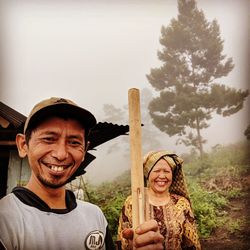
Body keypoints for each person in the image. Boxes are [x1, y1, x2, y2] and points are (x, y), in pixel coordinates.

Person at [0, 97, 164, 250]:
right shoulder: (5, 219)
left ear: (85, 150)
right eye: (49, 139)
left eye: (74, 142)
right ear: (23, 145)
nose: (61, 154)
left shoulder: (94, 216)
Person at [117, 150, 201, 250]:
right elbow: (122, 241)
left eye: (166, 171)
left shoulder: (181, 204)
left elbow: (191, 244)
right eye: (156, 171)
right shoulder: (133, 202)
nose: (162, 176)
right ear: (148, 175)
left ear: (172, 175)